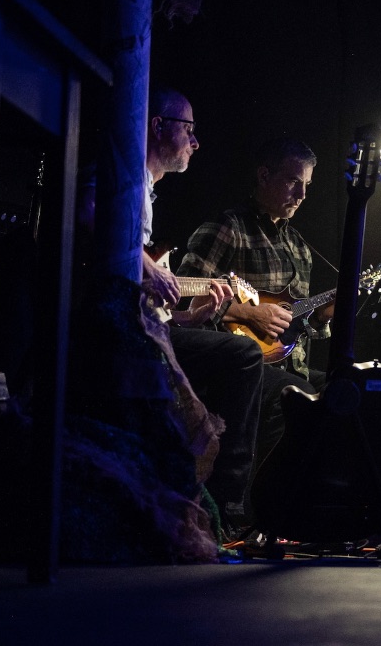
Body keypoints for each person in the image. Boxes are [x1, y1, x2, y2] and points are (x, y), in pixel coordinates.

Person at [142, 87, 265, 533]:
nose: (195, 142)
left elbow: (149, 303)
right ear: (158, 126)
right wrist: (147, 268)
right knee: (245, 355)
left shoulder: (146, 190)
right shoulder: (129, 179)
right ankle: (229, 501)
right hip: (117, 329)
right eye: (188, 129)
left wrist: (188, 317)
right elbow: (91, 215)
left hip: (146, 325)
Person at [177, 136, 332, 466]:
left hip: (291, 365)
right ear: (264, 176)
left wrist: (320, 318)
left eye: (307, 185)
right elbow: (182, 297)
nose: (302, 195)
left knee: (360, 388)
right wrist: (249, 314)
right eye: (293, 181)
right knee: (295, 396)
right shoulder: (228, 228)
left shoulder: (300, 247)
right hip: (240, 369)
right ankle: (257, 497)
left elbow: (295, 325)